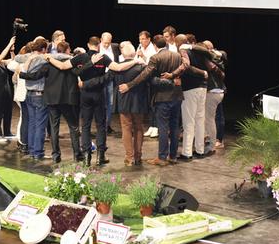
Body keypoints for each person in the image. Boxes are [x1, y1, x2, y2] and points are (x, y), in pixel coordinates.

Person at [47, 36, 139, 166]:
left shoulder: (80, 57)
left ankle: (86, 157)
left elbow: (62, 66)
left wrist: (49, 58)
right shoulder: (103, 57)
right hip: (99, 94)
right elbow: (118, 68)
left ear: (88, 44)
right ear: (99, 44)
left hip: (84, 95)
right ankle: (100, 156)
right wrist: (134, 62)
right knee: (101, 125)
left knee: (85, 126)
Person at [119, 35, 185, 166]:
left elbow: (145, 75)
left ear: (154, 45)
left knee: (163, 127)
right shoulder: (177, 56)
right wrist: (173, 79)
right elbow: (182, 70)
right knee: (174, 126)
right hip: (177, 96)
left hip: (162, 97)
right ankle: (173, 156)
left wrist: (129, 85)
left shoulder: (156, 57)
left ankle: (162, 157)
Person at [87, 42, 149, 166]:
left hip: (124, 101)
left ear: (121, 54)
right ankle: (138, 157)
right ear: (134, 53)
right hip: (139, 101)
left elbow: (104, 80)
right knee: (138, 128)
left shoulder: (116, 67)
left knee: (126, 128)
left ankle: (129, 158)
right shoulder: (142, 66)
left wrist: (87, 84)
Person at [22, 41, 82, 163]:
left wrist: (21, 74)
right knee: (73, 126)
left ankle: (56, 155)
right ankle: (77, 154)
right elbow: (80, 74)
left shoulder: (48, 63)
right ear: (67, 50)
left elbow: (36, 76)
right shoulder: (71, 63)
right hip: (67, 100)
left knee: (54, 128)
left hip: (52, 100)